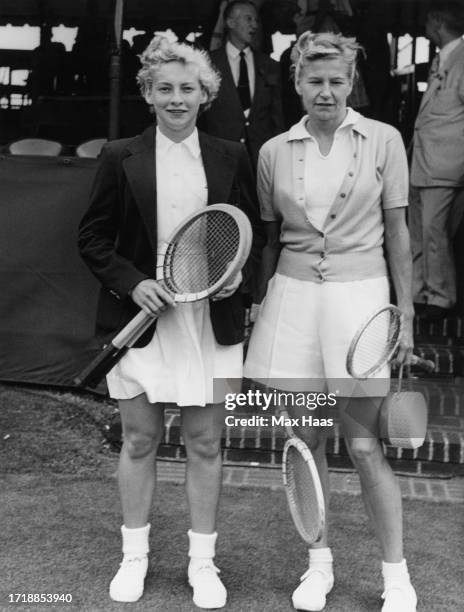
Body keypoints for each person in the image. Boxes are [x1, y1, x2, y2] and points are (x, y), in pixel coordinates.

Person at [78, 35, 260, 609]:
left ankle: (202, 564)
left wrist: (236, 278)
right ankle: (135, 558)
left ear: (205, 94)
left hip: (209, 321)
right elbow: (92, 238)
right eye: (165, 89)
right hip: (142, 317)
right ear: (149, 94)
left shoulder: (232, 153)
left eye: (187, 88)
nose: (176, 98)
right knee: (140, 439)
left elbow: (252, 237)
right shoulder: (117, 155)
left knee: (206, 443)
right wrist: (134, 282)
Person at [244, 31, 417, 612]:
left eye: (336, 81)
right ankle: (319, 566)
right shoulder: (272, 151)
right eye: (314, 81)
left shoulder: (385, 140)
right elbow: (270, 240)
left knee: (366, 445)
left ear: (351, 84)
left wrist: (407, 313)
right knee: (305, 440)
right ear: (296, 83)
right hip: (292, 301)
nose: (326, 92)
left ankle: (397, 576)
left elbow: (398, 231)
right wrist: (260, 303)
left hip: (361, 300)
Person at [409, 1, 464, 320]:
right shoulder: (444, 57)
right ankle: (419, 291)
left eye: (428, 24)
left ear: (438, 24)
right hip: (423, 159)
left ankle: (440, 297)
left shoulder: (461, 59)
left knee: (433, 230)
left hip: (446, 163)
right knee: (417, 229)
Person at [199, 0, 284, 168]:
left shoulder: (269, 65)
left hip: (261, 160)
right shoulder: (207, 63)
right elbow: (199, 115)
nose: (254, 25)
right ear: (230, 23)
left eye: (256, 20)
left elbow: (277, 116)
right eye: (248, 19)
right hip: (219, 158)